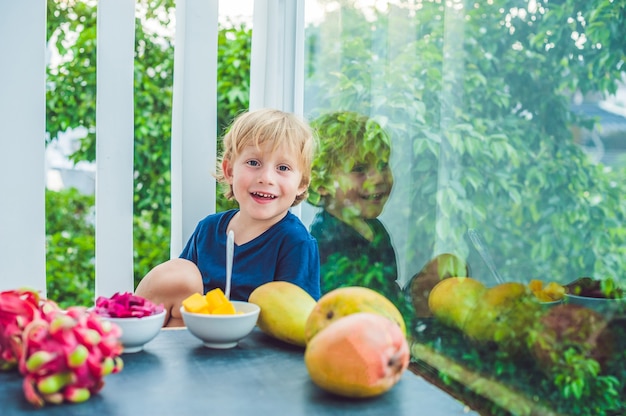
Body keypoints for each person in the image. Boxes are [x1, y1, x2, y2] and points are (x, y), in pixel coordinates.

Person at [136, 108, 321, 327]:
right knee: (178, 275)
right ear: (229, 170)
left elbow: (299, 319)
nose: (266, 178)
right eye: (254, 163)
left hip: (256, 348)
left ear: (301, 184)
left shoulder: (295, 243)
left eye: (283, 167)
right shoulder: (208, 230)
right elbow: (180, 295)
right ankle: (130, 332)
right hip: (199, 339)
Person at [307, 110, 412, 319]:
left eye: (383, 165)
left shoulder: (376, 229)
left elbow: (387, 292)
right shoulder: (327, 241)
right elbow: (344, 311)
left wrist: (419, 287)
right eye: (360, 169)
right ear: (320, 183)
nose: (378, 178)